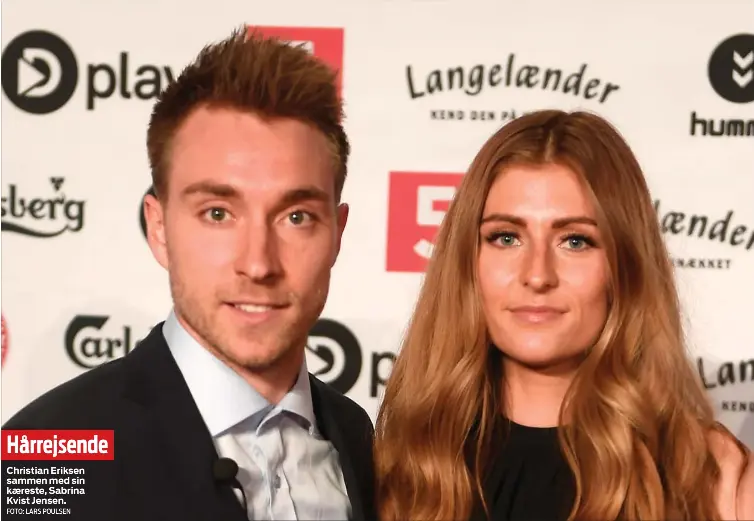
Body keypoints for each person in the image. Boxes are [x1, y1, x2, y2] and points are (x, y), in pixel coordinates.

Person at [4, 27, 375, 521]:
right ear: (158, 229)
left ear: (337, 232)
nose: (258, 264)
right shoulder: (48, 453)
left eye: (296, 217)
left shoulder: (359, 438)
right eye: (218, 214)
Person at [373, 110, 753, 521]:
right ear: (468, 259)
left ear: (624, 266)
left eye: (575, 241)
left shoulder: (710, 479)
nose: (537, 275)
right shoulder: (402, 469)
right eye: (506, 237)